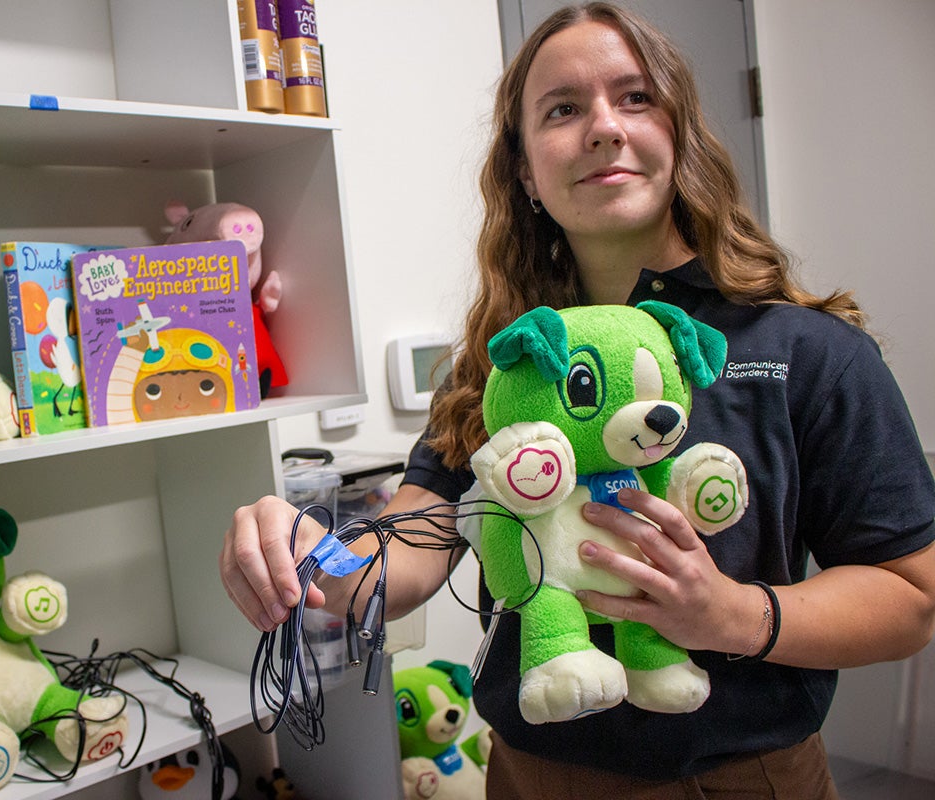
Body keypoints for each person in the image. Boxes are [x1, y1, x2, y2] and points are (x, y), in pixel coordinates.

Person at [220, 3, 935, 797]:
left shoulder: (808, 352)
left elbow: (911, 597)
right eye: (563, 109)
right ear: (524, 167)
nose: (603, 128)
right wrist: (307, 541)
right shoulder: (501, 363)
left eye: (635, 98)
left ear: (680, 136)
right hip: (530, 775)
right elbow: (412, 554)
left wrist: (730, 614)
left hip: (740, 777)